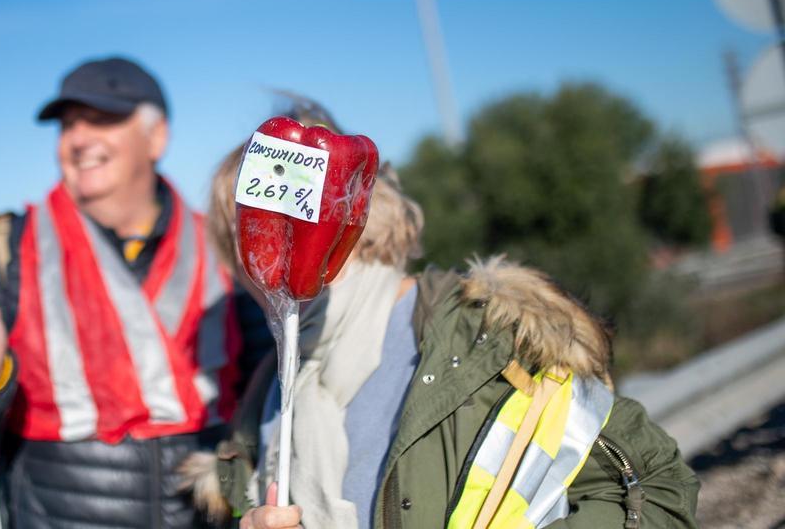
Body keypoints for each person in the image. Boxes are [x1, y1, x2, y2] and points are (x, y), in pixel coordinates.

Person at [184, 108, 700, 529]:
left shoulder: (495, 337)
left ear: (365, 215)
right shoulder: (264, 403)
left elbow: (652, 489)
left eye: (300, 219)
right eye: (251, 233)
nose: (274, 252)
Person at [0, 56, 264, 529]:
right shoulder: (5, 254)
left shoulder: (229, 249)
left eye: (103, 119)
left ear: (156, 136)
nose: (79, 139)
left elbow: (272, 400)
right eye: (68, 124)